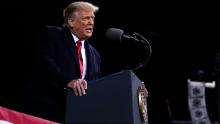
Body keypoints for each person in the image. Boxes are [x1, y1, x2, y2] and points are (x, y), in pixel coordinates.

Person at [21, 1, 101, 123]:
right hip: (46, 113)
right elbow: (44, 64)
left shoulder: (95, 55)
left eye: (93, 18)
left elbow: (96, 85)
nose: (91, 22)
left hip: (77, 117)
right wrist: (68, 81)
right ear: (70, 21)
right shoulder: (53, 35)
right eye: (86, 18)